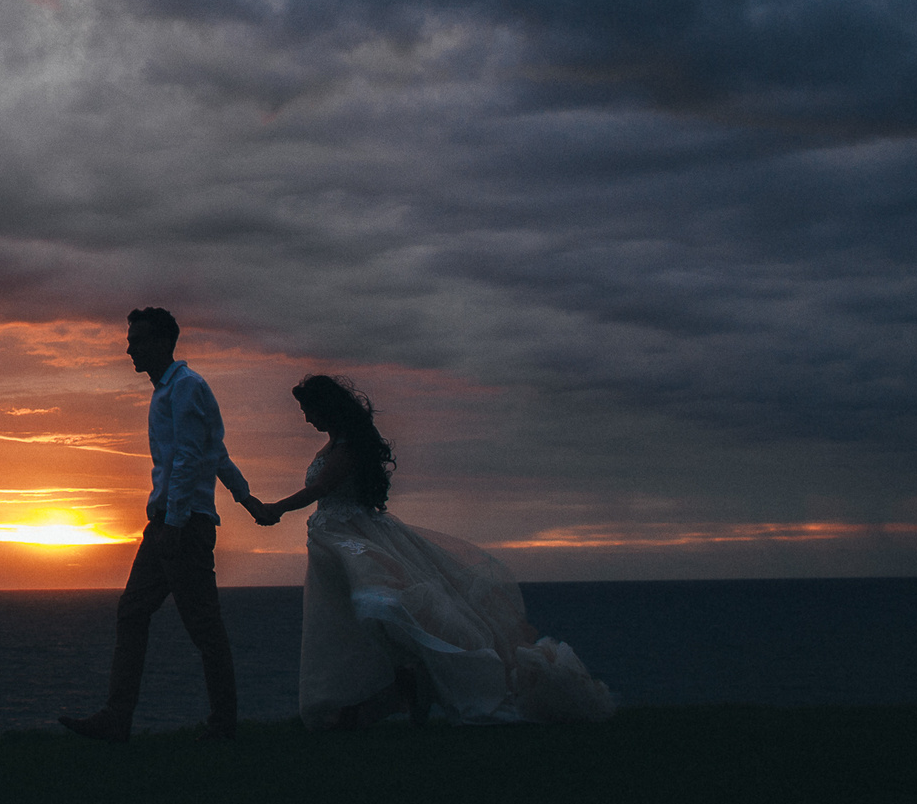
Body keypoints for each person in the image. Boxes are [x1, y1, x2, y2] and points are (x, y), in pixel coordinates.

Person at [246, 374, 614, 728]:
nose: (306, 418)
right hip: (334, 541)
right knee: (351, 623)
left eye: (309, 410)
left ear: (327, 407)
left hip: (351, 539)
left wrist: (276, 508)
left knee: (380, 610)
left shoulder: (347, 447)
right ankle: (393, 692)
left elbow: (322, 487)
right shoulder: (334, 443)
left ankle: (407, 687)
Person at [59, 307, 263, 743]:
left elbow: (194, 457)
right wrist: (248, 500)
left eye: (138, 340)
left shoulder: (184, 388)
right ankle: (118, 717)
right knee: (133, 612)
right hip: (169, 522)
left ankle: (223, 725)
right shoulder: (171, 390)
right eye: (130, 340)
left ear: (163, 343)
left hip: (181, 525)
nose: (129, 347)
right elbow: (216, 454)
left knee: (203, 627)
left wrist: (174, 522)